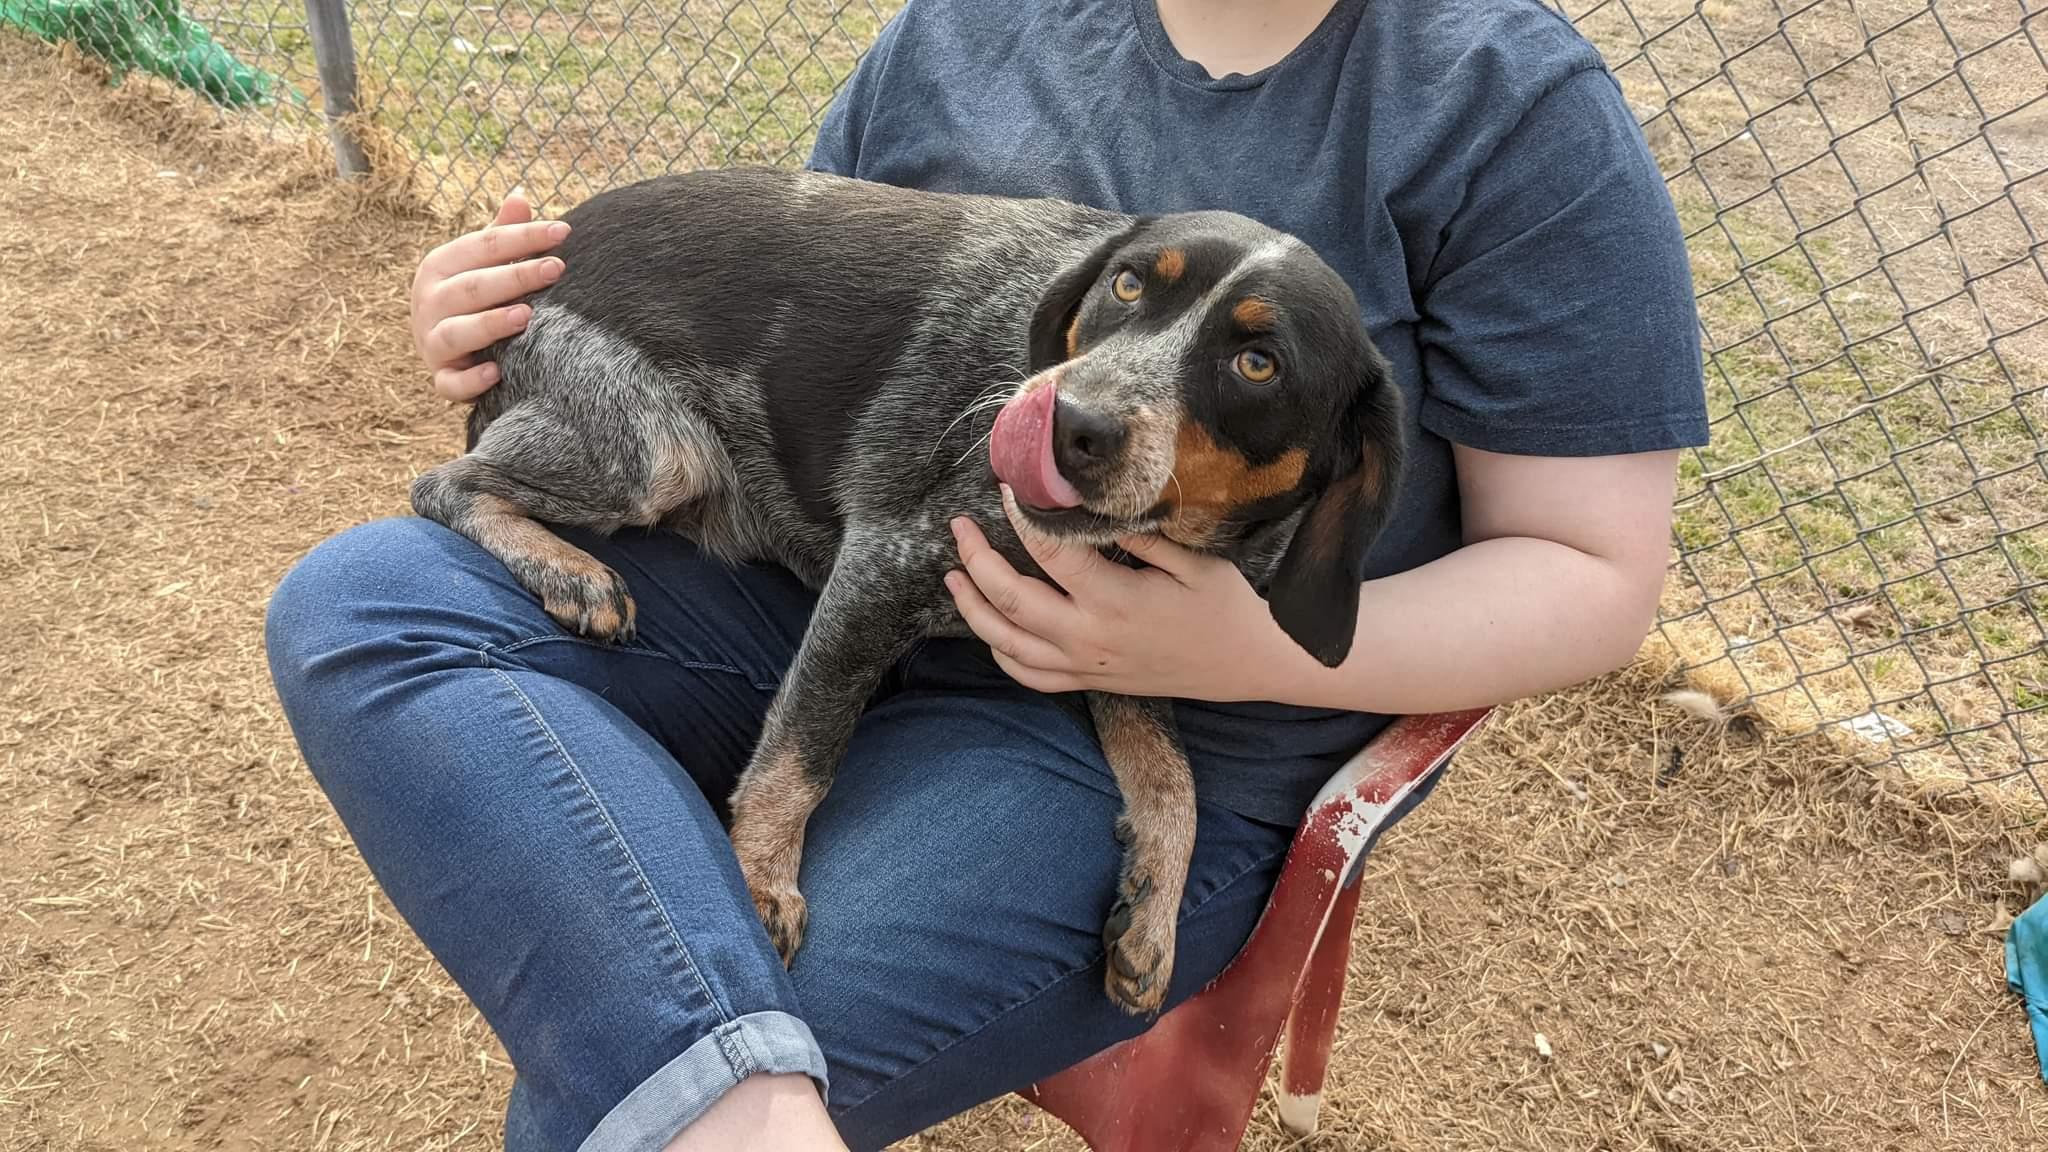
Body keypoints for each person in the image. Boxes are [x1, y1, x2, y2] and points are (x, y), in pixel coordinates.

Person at [264, 0, 1708, 1148]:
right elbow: (793, 268)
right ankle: (746, 1103)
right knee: (361, 607)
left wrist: (1233, 651)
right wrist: (511, 307)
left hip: (1147, 717)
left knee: (645, 1078)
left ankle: (722, 1081)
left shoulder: (1509, 107)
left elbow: (1595, 573)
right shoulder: (970, 22)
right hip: (815, 579)